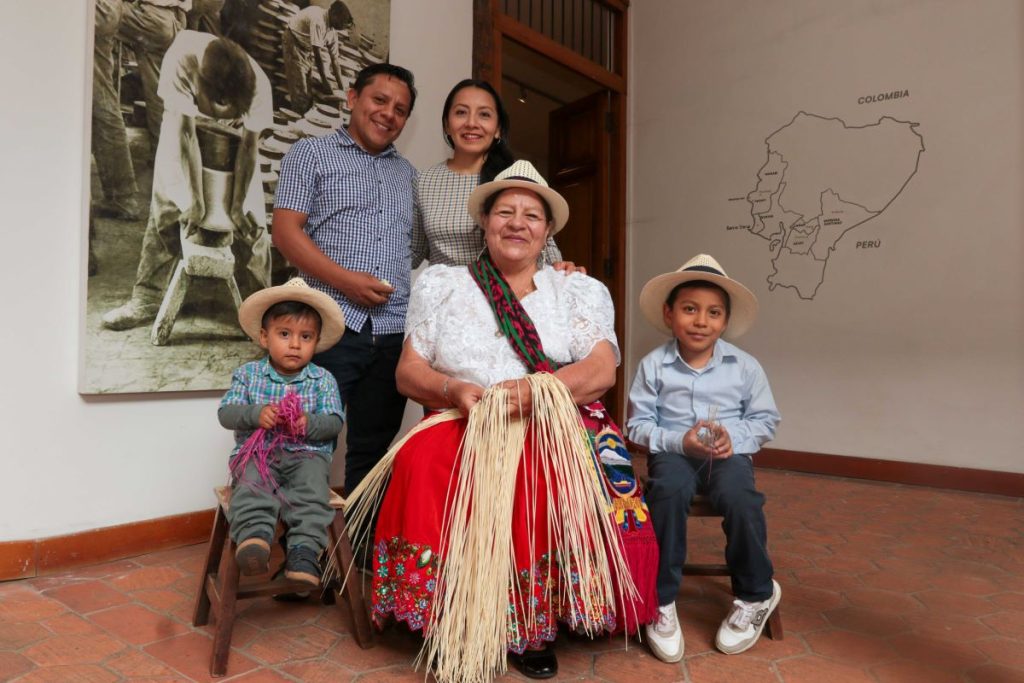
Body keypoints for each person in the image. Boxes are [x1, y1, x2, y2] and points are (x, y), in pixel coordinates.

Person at [346, 161, 657, 682]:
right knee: (424, 460)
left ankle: (529, 623)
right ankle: (449, 616)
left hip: (545, 418)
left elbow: (601, 369)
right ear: (484, 223)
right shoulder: (441, 284)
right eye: (505, 212)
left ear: (547, 232)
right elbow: (408, 372)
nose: (517, 223)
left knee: (537, 471)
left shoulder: (576, 290)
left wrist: (537, 392)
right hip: (459, 415)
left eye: (531, 215)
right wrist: (452, 389)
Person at [626, 254, 782, 662]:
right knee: (668, 493)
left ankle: (755, 594)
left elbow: (765, 419)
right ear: (669, 313)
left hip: (728, 455)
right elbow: (637, 425)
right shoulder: (653, 366)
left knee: (741, 499)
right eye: (689, 309)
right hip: (676, 454)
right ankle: (660, 601)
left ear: (725, 321)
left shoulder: (744, 366)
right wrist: (679, 441)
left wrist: (737, 439)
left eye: (713, 313)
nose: (700, 321)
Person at [272, 63, 417, 495]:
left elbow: (422, 248)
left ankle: (354, 551)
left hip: (392, 331)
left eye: (401, 109)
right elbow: (285, 232)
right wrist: (348, 282)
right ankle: (305, 549)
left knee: (373, 449)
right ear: (353, 98)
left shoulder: (407, 174)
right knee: (307, 440)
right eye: (379, 100)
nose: (389, 113)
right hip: (330, 326)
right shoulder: (311, 154)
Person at [102, 31, 273, 330]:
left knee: (253, 217)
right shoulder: (181, 58)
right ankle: (147, 297)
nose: (221, 115)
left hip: (235, 132)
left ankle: (261, 303)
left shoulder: (258, 85)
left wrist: (235, 206)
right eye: (218, 107)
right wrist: (195, 201)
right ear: (202, 89)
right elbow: (186, 133)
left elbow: (248, 146)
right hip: (183, 120)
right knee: (168, 198)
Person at [220, 277, 346, 586]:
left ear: (316, 342)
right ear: (264, 337)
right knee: (252, 482)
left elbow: (334, 421)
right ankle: (254, 539)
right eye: (285, 334)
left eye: (306, 336)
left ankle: (303, 552)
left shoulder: (322, 379)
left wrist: (308, 423)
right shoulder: (248, 375)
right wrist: (254, 414)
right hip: (259, 453)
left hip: (307, 456)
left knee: (311, 492)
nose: (294, 344)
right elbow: (226, 413)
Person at [411, 79, 562, 268]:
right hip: (446, 294)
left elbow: (545, 247)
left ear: (498, 129)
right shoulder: (423, 181)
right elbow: (413, 252)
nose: (471, 123)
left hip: (505, 295)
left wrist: (562, 270)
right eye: (461, 112)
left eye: (484, 114)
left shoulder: (515, 177)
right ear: (447, 125)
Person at [116, 0, 192, 151]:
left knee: (100, 11)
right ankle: (164, 155)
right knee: (159, 90)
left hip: (154, 17)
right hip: (176, 18)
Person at [92, 0, 142, 220]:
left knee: (101, 101)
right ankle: (121, 196)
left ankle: (122, 197)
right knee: (101, 99)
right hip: (106, 9)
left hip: (95, 9)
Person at [282, 1, 354, 113]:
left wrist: (342, 89)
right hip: (293, 42)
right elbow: (317, 54)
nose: (342, 28)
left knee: (308, 91)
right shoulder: (319, 20)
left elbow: (335, 61)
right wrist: (325, 81)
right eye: (342, 23)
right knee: (300, 90)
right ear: (334, 14)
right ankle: (297, 121)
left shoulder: (332, 31)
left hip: (305, 48)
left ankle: (302, 114)